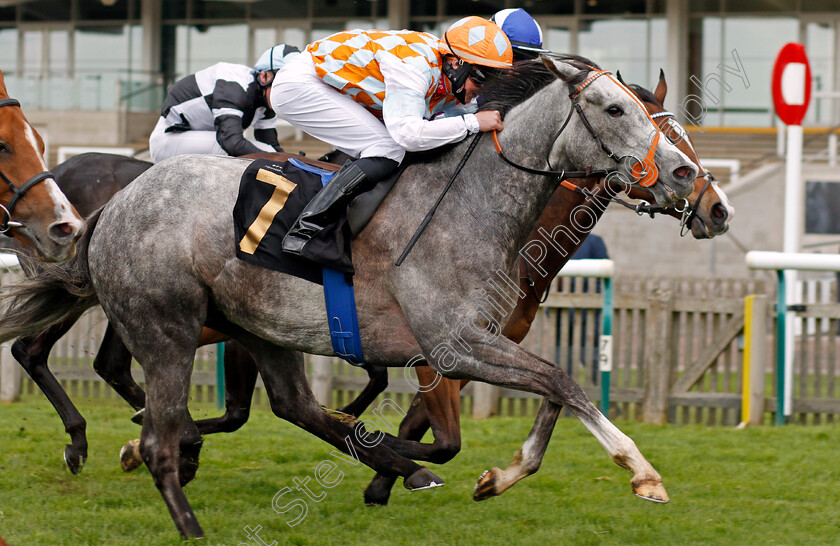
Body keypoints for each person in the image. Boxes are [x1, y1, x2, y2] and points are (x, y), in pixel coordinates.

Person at [269, 16, 512, 261]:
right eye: (481, 78)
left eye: (492, 80)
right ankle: (306, 232)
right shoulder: (414, 66)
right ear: (454, 63)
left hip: (328, 84)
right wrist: (472, 123)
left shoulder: (450, 79)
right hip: (301, 85)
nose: (482, 88)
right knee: (388, 148)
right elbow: (407, 134)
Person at [149, 44, 300, 163]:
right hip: (167, 139)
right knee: (231, 149)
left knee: (267, 152)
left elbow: (270, 144)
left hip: (198, 138)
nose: (288, 92)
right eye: (284, 83)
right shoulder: (235, 84)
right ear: (265, 76)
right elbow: (230, 141)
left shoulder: (266, 99)